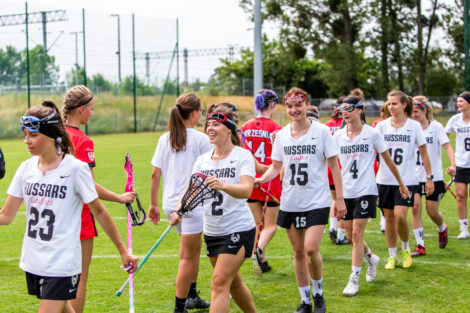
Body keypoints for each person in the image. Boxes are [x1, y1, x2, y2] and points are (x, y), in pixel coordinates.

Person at [0, 100, 137, 313]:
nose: (27, 141)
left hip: (62, 262)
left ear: (53, 135)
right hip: (34, 259)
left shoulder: (75, 168)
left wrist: (123, 251)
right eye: (25, 134)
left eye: (33, 135)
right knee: (64, 308)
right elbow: (6, 216)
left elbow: (99, 211)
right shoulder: (25, 169)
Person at [255, 87, 346, 313]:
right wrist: (259, 180)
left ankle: (318, 294)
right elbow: (276, 167)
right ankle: (305, 301)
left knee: (311, 249)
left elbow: (334, 165)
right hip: (291, 201)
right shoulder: (282, 135)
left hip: (317, 200)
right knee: (298, 252)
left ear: (306, 105)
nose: (294, 110)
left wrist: (340, 200)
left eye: (298, 105)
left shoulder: (323, 132)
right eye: (290, 106)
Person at [171, 102, 257, 313]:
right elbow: (190, 190)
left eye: (215, 125)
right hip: (213, 232)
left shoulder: (242, 156)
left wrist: (223, 185)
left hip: (238, 229)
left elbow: (247, 190)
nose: (209, 128)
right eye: (207, 124)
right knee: (233, 284)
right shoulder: (202, 161)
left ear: (228, 128)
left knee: (218, 284)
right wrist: (178, 209)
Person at [62, 85, 136, 313]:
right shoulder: (83, 141)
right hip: (81, 216)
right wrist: (119, 197)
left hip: (59, 212)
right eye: (91, 109)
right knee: (79, 278)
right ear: (81, 109)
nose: (93, 114)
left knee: (60, 279)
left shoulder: (56, 135)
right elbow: (89, 186)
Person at [334, 96, 408, 296]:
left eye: (348, 108)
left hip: (366, 190)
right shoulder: (338, 137)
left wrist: (401, 183)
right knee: (350, 236)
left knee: (357, 234)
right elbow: (330, 165)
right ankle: (371, 258)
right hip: (347, 191)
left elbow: (388, 161)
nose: (345, 112)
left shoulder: (372, 134)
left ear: (360, 110)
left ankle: (354, 279)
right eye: (342, 109)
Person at [148, 93, 211, 313]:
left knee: (192, 252)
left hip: (169, 205)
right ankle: (180, 307)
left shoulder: (165, 138)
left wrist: (153, 205)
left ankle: (192, 295)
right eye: (201, 111)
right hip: (191, 205)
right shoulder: (201, 139)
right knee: (187, 256)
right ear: (193, 114)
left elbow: (155, 174)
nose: (201, 115)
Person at [376, 91, 434, 270]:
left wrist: (429, 177)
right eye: (389, 103)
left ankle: (406, 249)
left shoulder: (414, 126)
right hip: (384, 180)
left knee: (401, 216)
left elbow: (424, 152)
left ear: (404, 105)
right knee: (389, 219)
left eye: (394, 103)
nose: (390, 106)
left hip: (407, 180)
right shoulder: (381, 126)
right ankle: (392, 256)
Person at [241, 89, 282, 275]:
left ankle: (262, 258)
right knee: (271, 225)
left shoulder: (245, 127)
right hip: (270, 179)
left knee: (259, 224)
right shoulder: (276, 129)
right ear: (272, 104)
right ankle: (257, 250)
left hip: (251, 180)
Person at [410, 96, 455, 256]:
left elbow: (447, 146)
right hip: (414, 176)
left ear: (424, 111)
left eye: (416, 112)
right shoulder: (410, 128)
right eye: (412, 112)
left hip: (432, 176)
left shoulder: (435, 127)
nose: (413, 115)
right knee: (415, 208)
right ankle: (420, 245)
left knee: (432, 211)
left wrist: (452, 164)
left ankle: (442, 227)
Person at [445, 91, 470, 239]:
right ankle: (464, 228)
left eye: (462, 101)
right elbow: (443, 137)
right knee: (461, 195)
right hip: (461, 163)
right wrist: (452, 162)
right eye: (458, 102)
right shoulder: (455, 119)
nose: (458, 104)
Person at [325, 97, 349, 245]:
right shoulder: (346, 126)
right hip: (340, 168)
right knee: (341, 200)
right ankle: (340, 235)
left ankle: (332, 227)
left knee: (333, 199)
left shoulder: (326, 126)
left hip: (328, 168)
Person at [372, 102, 391, 232]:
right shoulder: (378, 125)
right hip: (381, 161)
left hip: (391, 161)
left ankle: (385, 220)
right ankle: (383, 220)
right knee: (382, 192)